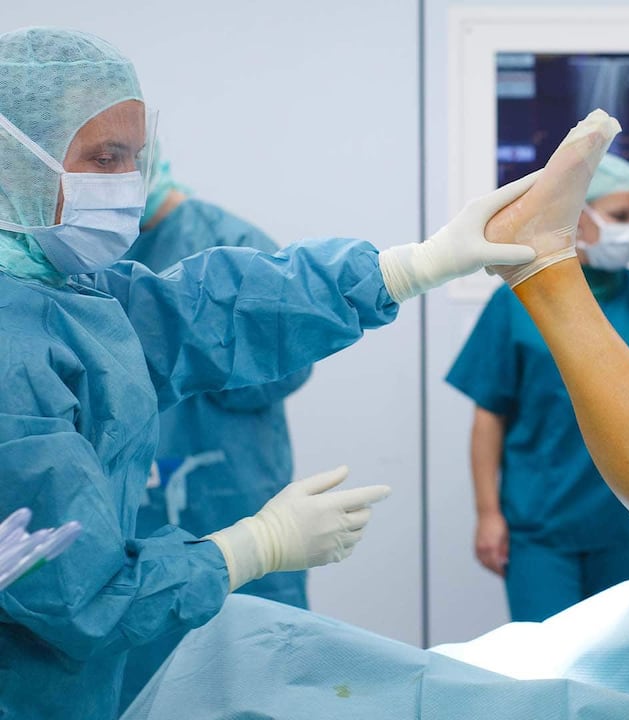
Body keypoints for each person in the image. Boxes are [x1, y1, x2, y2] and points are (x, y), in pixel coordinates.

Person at [0, 26, 548, 720]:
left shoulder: (74, 295)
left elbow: (212, 311)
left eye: (135, 159)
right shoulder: (10, 351)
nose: (126, 187)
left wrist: (409, 267)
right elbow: (77, 599)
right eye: (103, 159)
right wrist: (250, 547)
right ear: (13, 163)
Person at [447, 153, 629, 622]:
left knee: (619, 666)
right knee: (547, 668)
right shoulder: (519, 299)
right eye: (619, 216)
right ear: (576, 214)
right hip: (540, 525)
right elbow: (489, 417)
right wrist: (488, 513)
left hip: (628, 519)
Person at [114, 148, 316, 712]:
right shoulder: (90, 258)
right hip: (128, 522)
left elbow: (288, 365)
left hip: (229, 497)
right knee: (135, 678)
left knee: (251, 672)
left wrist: (190, 346)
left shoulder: (233, 247)